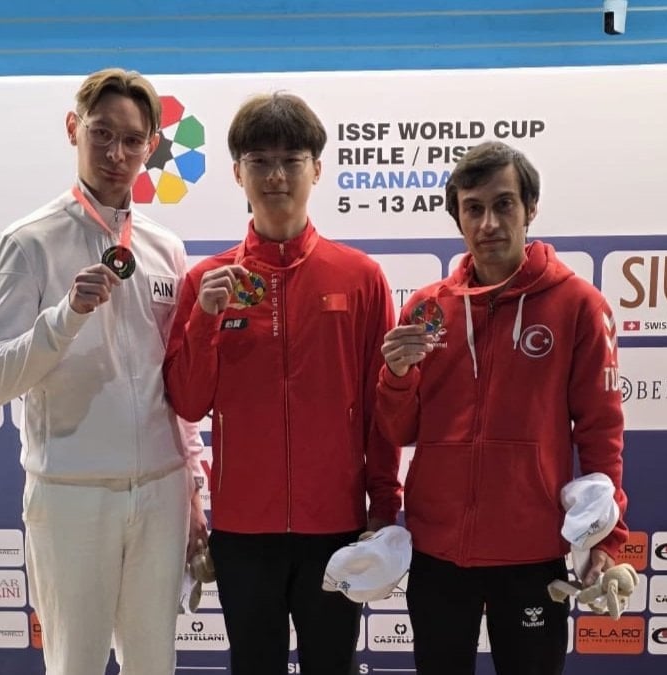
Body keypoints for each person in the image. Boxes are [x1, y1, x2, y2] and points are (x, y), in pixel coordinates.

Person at [0, 67, 206, 675]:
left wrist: (193, 485)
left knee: (154, 664)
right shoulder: (28, 242)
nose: (115, 154)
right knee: (75, 664)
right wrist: (66, 316)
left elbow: (174, 380)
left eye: (131, 141)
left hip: (161, 490)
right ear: (73, 128)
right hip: (71, 495)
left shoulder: (165, 247)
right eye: (102, 133)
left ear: (150, 147)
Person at [163, 92, 401, 675]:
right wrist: (205, 320)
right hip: (244, 530)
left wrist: (383, 504)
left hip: (336, 524)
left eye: (291, 160)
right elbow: (188, 402)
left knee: (332, 665)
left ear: (316, 169)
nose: (275, 176)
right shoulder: (207, 281)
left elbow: (381, 411)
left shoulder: (361, 277)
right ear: (237, 173)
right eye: (260, 161)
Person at [375, 141, 628, 675]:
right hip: (438, 551)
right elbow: (399, 431)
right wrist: (395, 377)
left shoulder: (579, 305)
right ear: (458, 217)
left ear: (530, 208)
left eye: (503, 204)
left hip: (530, 551)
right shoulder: (426, 309)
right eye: (473, 208)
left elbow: (601, 431)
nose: (488, 223)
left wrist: (608, 534)